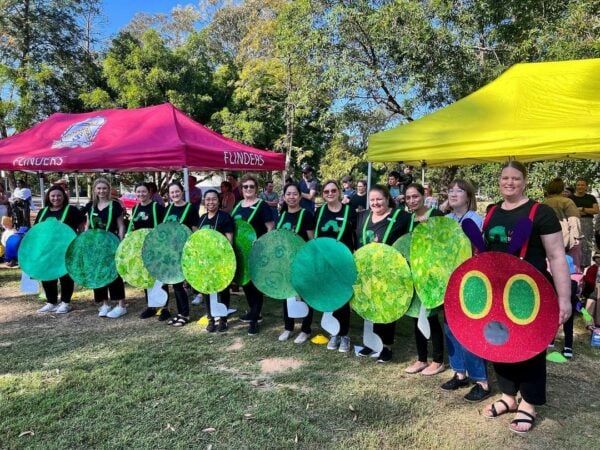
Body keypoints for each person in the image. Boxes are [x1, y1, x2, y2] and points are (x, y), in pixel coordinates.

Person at [482, 161, 571, 434]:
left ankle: (529, 403)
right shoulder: (491, 211)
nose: (510, 182)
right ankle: (509, 396)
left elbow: (556, 257)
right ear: (499, 181)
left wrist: (564, 299)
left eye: (516, 178)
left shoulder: (540, 212)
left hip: (531, 293)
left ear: (525, 181)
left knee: (530, 347)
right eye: (505, 178)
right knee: (499, 342)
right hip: (497, 292)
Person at [441, 179, 491, 402]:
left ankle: (481, 380)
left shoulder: (475, 220)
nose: (453, 193)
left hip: (469, 282)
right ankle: (459, 373)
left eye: (459, 190)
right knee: (450, 327)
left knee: (470, 329)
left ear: (469, 196)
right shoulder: (446, 219)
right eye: (450, 190)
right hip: (447, 281)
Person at [355, 184, 410, 363]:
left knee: (386, 307)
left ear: (387, 199)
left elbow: (411, 237)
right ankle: (372, 343)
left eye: (379, 199)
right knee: (369, 305)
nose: (375, 203)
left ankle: (386, 346)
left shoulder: (400, 217)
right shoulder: (362, 216)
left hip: (388, 272)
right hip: (366, 271)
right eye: (372, 200)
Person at [403, 183, 446, 376]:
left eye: (415, 196)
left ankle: (438, 360)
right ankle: (421, 359)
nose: (412, 200)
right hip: (415, 273)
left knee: (432, 316)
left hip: (432, 275)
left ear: (424, 195)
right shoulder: (409, 218)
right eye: (408, 198)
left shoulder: (436, 215)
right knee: (416, 315)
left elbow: (443, 244)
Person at [314, 180, 356, 352]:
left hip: (342, 262)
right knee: (330, 297)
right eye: (326, 191)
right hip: (324, 262)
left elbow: (355, 236)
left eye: (333, 190)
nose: (329, 193)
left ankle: (344, 334)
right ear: (323, 194)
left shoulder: (349, 211)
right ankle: (334, 333)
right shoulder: (319, 211)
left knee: (342, 299)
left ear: (339, 192)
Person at [231, 174, 275, 335]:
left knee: (255, 285)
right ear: (241, 189)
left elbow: (270, 227)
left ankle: (254, 320)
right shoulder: (238, 206)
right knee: (246, 284)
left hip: (256, 252)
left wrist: (262, 243)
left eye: (251, 186)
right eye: (245, 186)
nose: (248, 189)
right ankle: (254, 311)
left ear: (256, 189)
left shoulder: (262, 205)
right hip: (241, 253)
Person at [35, 185, 85, 314]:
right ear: (48, 197)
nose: (56, 198)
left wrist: (79, 242)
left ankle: (65, 302)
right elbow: (37, 230)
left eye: (58, 196)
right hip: (48, 250)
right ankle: (51, 302)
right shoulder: (43, 212)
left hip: (66, 249)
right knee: (47, 275)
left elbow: (81, 228)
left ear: (64, 197)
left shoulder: (72, 210)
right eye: (53, 196)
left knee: (65, 275)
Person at [276, 183, 315, 344]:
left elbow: (311, 240)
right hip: (286, 262)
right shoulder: (282, 215)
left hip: (302, 262)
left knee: (305, 295)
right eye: (288, 194)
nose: (291, 197)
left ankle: (305, 329)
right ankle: (288, 327)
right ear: (284, 197)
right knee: (287, 293)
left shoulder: (306, 215)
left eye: (294, 194)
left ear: (300, 196)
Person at [83, 178, 127, 319]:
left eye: (104, 188)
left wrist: (120, 241)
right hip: (95, 245)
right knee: (98, 273)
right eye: (99, 188)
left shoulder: (115, 205)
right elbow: (88, 225)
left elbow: (120, 225)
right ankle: (104, 304)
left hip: (111, 243)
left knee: (114, 273)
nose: (101, 191)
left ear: (108, 189)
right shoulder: (90, 206)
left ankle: (121, 305)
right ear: (94, 190)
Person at [162, 181, 199, 327]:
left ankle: (185, 314)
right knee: (175, 284)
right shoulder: (168, 208)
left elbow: (195, 229)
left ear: (182, 192)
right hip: (172, 251)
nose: (175, 195)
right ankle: (180, 313)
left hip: (185, 251)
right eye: (172, 193)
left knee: (182, 284)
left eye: (177, 192)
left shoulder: (190, 208)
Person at [128, 182, 166, 319]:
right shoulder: (135, 209)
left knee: (159, 276)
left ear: (149, 193)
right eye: (138, 192)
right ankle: (151, 305)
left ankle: (164, 307)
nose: (141, 194)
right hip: (141, 246)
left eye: (143, 192)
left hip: (155, 246)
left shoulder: (158, 208)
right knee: (145, 275)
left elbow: (163, 228)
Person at [198, 189, 235, 333]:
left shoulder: (225, 217)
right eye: (208, 199)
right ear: (204, 201)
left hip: (220, 260)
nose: (210, 202)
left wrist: (225, 259)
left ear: (218, 201)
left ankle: (223, 319)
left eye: (213, 199)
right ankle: (211, 318)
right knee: (207, 289)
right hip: (205, 261)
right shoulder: (202, 218)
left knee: (222, 289)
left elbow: (229, 240)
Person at [543, 178, 582, 269]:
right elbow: (574, 219)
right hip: (566, 239)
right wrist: (576, 237)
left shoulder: (544, 203)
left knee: (551, 267)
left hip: (549, 240)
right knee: (572, 268)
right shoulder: (567, 201)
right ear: (561, 189)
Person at [570, 178, 599, 269]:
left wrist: (582, 209)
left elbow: (596, 210)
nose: (580, 187)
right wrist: (586, 211)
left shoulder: (591, 198)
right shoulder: (570, 198)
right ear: (576, 186)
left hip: (587, 224)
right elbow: (569, 211)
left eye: (582, 185)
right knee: (574, 244)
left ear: (586, 186)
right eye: (578, 185)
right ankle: (574, 267)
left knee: (587, 245)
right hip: (573, 223)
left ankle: (586, 267)